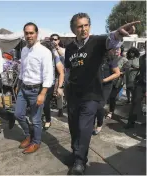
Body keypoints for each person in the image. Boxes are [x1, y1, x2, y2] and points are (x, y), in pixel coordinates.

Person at [64, 12, 140, 175]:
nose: (83, 29)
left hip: (91, 94)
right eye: (79, 26)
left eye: (86, 25)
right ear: (73, 29)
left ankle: (80, 161)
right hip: (73, 94)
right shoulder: (69, 48)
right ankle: (76, 151)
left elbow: (111, 38)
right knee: (74, 127)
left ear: (89, 27)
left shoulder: (97, 41)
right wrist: (63, 87)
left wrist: (119, 33)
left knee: (84, 127)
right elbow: (68, 70)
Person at [14, 22, 53, 154]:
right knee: (18, 114)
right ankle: (28, 135)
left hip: (36, 90)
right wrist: (18, 84)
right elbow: (22, 69)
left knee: (35, 120)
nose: (29, 35)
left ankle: (36, 142)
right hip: (23, 88)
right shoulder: (24, 50)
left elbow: (49, 75)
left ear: (36, 34)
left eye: (31, 33)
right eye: (26, 33)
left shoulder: (44, 52)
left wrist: (43, 93)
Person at [93, 49, 120, 135]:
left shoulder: (111, 59)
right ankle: (91, 124)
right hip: (95, 85)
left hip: (106, 85)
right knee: (92, 104)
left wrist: (104, 80)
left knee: (100, 105)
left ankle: (99, 124)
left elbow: (117, 73)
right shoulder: (94, 58)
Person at [41, 41, 65, 130]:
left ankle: (48, 120)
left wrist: (60, 87)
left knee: (45, 103)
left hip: (49, 84)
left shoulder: (55, 58)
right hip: (37, 83)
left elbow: (61, 73)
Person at [125, 42, 146, 129]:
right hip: (141, 83)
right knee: (135, 102)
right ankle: (131, 122)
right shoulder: (141, 58)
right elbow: (141, 69)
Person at [50, 34, 65, 116]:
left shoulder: (62, 49)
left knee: (60, 91)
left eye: (55, 39)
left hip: (62, 72)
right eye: (52, 39)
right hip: (52, 72)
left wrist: (56, 48)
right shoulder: (48, 49)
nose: (53, 41)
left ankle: (60, 109)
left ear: (58, 40)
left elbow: (63, 55)